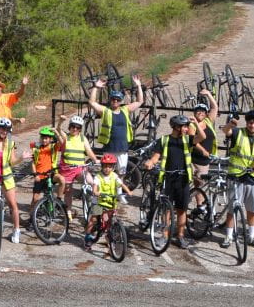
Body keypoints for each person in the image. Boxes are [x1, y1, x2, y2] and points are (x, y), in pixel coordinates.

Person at [144, 115, 205, 249]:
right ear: (176, 127)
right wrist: (150, 162)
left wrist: (195, 124)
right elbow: (156, 157)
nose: (186, 129)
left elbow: (202, 138)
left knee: (182, 209)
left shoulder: (187, 140)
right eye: (184, 126)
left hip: (183, 179)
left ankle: (180, 236)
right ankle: (164, 235)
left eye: (187, 126)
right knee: (166, 208)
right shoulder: (164, 140)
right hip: (168, 178)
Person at [220, 109, 254, 248]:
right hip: (236, 176)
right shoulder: (238, 132)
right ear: (247, 123)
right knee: (232, 209)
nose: (253, 125)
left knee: (253, 210)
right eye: (250, 123)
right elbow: (226, 131)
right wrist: (231, 124)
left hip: (253, 177)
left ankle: (251, 236)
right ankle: (228, 236)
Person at [89, 76, 143, 174]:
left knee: (121, 174)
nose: (115, 101)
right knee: (107, 174)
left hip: (122, 148)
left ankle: (118, 190)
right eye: (113, 99)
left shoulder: (125, 110)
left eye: (118, 100)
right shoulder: (105, 111)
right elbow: (92, 102)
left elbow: (140, 101)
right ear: (110, 100)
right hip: (109, 148)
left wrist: (139, 86)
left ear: (121, 101)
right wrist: (96, 87)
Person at [55, 114, 100, 219]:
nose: (75, 129)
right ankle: (68, 212)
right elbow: (58, 129)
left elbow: (88, 150)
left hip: (80, 168)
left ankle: (97, 210)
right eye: (73, 126)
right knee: (69, 193)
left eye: (78, 127)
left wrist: (95, 160)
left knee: (93, 184)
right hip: (67, 169)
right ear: (70, 127)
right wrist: (60, 121)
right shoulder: (66, 137)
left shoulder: (82, 138)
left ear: (80, 129)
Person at [84, 153, 133, 250]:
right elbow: (95, 186)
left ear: (113, 167)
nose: (107, 169)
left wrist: (128, 191)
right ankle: (87, 236)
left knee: (109, 221)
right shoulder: (98, 177)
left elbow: (121, 184)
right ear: (102, 166)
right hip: (98, 201)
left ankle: (108, 236)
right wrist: (96, 192)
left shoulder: (114, 176)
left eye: (110, 166)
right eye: (105, 166)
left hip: (111, 201)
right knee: (93, 219)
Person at [29, 126, 65, 223]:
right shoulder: (36, 149)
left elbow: (62, 143)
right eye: (43, 138)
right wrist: (35, 174)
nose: (44, 140)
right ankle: (31, 219)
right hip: (40, 176)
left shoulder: (53, 147)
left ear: (50, 139)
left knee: (62, 179)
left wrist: (57, 133)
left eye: (47, 138)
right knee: (35, 199)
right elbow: (32, 163)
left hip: (51, 174)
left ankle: (58, 201)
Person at [189, 90, 220, 186]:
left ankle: (199, 200)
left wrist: (208, 94)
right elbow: (193, 141)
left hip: (206, 159)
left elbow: (214, 108)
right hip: (196, 158)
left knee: (200, 184)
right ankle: (198, 200)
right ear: (194, 113)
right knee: (200, 184)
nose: (200, 112)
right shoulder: (191, 125)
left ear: (206, 113)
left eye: (203, 111)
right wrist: (203, 151)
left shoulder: (208, 121)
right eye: (198, 110)